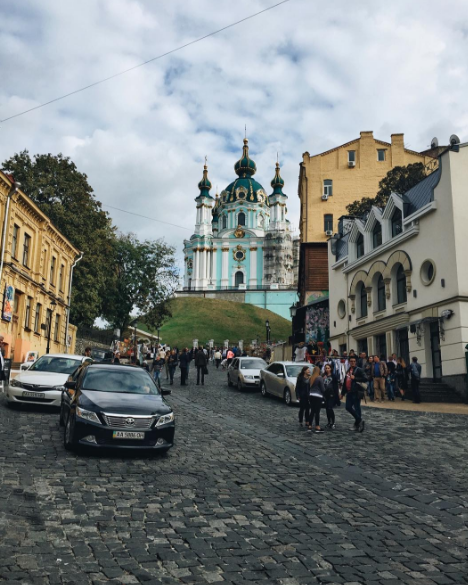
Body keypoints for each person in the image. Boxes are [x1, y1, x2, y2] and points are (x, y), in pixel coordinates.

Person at [343, 356, 367, 432]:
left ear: (356, 362)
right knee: (348, 407)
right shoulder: (348, 370)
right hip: (349, 391)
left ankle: (357, 424)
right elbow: (345, 381)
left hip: (356, 391)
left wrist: (355, 378)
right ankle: (359, 420)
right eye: (351, 361)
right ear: (349, 362)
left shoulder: (359, 370)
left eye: (354, 361)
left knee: (357, 408)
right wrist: (342, 393)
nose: (352, 362)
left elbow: (365, 378)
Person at [308, 366, 325, 433]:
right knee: (317, 412)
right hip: (318, 396)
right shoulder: (319, 378)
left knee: (312, 411)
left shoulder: (311, 378)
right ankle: (317, 426)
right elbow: (322, 389)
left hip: (311, 395)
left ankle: (310, 425)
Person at [323, 363, 337, 429]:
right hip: (325, 394)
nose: (327, 369)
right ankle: (329, 422)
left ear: (331, 369)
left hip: (332, 393)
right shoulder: (323, 375)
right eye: (326, 368)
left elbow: (335, 386)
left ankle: (333, 422)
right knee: (327, 409)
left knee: (330, 407)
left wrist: (336, 394)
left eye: (328, 368)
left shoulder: (333, 376)